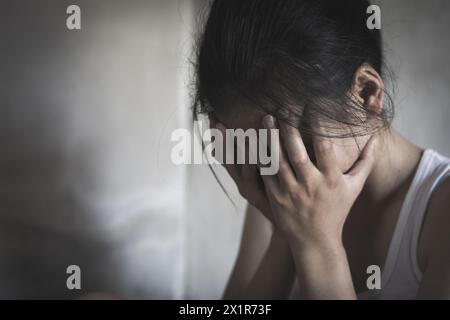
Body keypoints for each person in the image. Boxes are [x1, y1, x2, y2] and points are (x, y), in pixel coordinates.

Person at [192, 0, 450, 299]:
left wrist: (317, 245)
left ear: (366, 94)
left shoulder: (439, 215)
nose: (279, 173)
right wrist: (286, 236)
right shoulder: (280, 193)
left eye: (296, 148)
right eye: (262, 154)